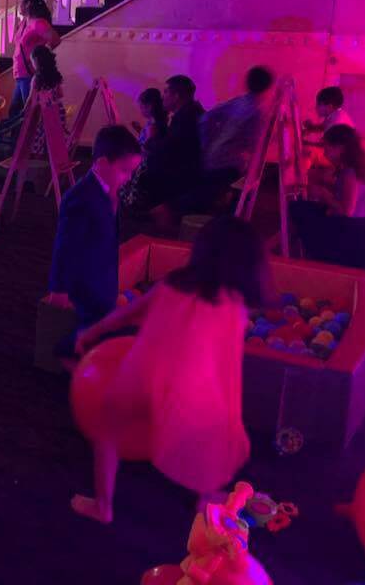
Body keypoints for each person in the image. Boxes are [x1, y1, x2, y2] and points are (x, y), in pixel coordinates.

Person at [70, 216, 266, 524]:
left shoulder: (173, 283)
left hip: (140, 378)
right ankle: (205, 498)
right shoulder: (234, 305)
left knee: (107, 431)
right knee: (209, 438)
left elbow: (126, 315)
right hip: (188, 394)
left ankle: (103, 506)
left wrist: (90, 333)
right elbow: (224, 365)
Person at [48, 126, 142, 359]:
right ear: (102, 163)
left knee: (105, 326)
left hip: (104, 279)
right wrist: (59, 289)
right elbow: (65, 248)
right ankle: (67, 353)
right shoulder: (80, 198)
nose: (128, 177)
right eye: (124, 170)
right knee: (90, 333)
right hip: (86, 285)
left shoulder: (110, 190)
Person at [289, 125, 365, 271]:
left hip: (353, 231)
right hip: (357, 226)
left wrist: (323, 194)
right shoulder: (352, 166)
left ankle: (315, 259)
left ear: (340, 148)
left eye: (327, 146)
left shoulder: (350, 172)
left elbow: (347, 210)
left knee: (300, 209)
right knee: (302, 207)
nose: (324, 151)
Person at [195, 66, 275, 208]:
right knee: (226, 203)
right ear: (268, 86)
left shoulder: (239, 101)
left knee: (207, 199)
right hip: (228, 164)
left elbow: (206, 118)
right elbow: (254, 146)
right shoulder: (257, 111)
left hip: (213, 157)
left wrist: (207, 143)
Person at [126, 75, 204, 211]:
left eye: (166, 92)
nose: (162, 97)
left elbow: (168, 152)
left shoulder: (186, 118)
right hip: (183, 170)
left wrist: (151, 140)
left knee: (134, 168)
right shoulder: (189, 114)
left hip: (180, 176)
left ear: (176, 96)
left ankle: (135, 205)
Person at [10, 0, 60, 119]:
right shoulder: (24, 22)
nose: (19, 5)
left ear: (28, 4)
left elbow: (55, 39)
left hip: (29, 74)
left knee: (28, 114)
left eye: (21, 2)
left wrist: (40, 56)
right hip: (20, 75)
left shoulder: (38, 23)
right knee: (15, 112)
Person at [28, 45, 67, 156]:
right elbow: (60, 94)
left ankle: (38, 155)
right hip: (58, 113)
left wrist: (25, 112)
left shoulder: (36, 79)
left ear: (37, 61)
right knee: (55, 138)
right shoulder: (55, 76)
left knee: (35, 133)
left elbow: (31, 100)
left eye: (32, 61)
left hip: (43, 115)